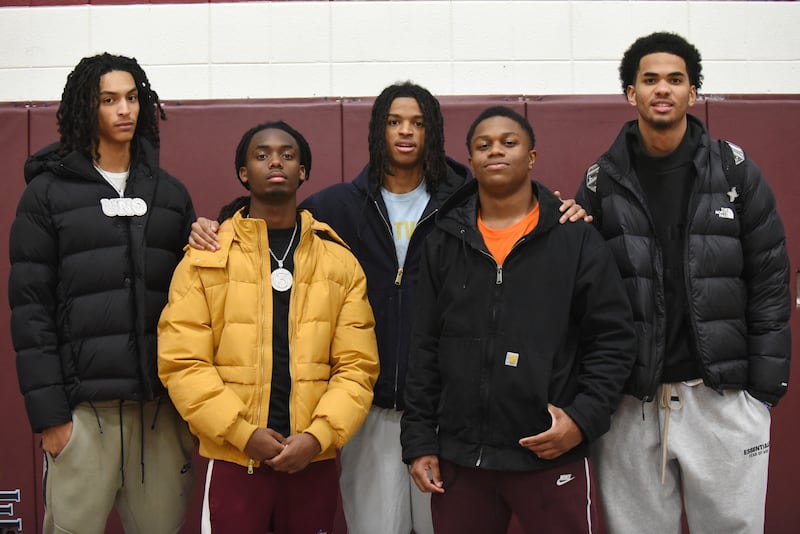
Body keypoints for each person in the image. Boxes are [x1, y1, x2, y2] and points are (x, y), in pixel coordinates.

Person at [188, 82, 588, 534]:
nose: (405, 132)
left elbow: (521, 201)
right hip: (368, 410)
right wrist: (210, 224)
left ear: (433, 132)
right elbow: (271, 218)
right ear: (377, 131)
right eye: (394, 122)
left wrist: (563, 207)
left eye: (417, 123)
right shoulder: (337, 206)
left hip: (447, 410)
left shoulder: (465, 198)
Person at [576, 32, 791, 534]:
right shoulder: (601, 182)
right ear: (631, 93)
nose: (662, 89)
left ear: (693, 92)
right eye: (649, 80)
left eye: (676, 79)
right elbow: (582, 295)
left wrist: (761, 392)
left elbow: (769, 279)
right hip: (634, 403)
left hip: (720, 397)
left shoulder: (735, 172)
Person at [400, 106, 637, 534]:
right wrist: (419, 441)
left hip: (547, 451)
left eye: (509, 143)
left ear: (531, 157)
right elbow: (424, 348)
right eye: (483, 145)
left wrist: (582, 418)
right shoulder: (444, 241)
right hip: (461, 458)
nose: (496, 151)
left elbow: (614, 340)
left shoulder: (575, 237)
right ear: (469, 161)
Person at [157, 120, 380, 534]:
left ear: (304, 172)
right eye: (261, 155)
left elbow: (357, 367)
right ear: (244, 173)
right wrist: (242, 433)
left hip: (311, 461)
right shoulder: (206, 256)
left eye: (287, 154)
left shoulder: (339, 262)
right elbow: (183, 363)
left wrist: (316, 438)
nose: (275, 161)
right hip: (235, 459)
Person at [8, 53, 196, 534]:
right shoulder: (46, 195)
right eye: (109, 99)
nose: (124, 109)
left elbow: (193, 308)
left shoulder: (170, 195)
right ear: (84, 108)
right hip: (82, 414)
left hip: (159, 414)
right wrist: (52, 418)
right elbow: (32, 313)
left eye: (132, 97)